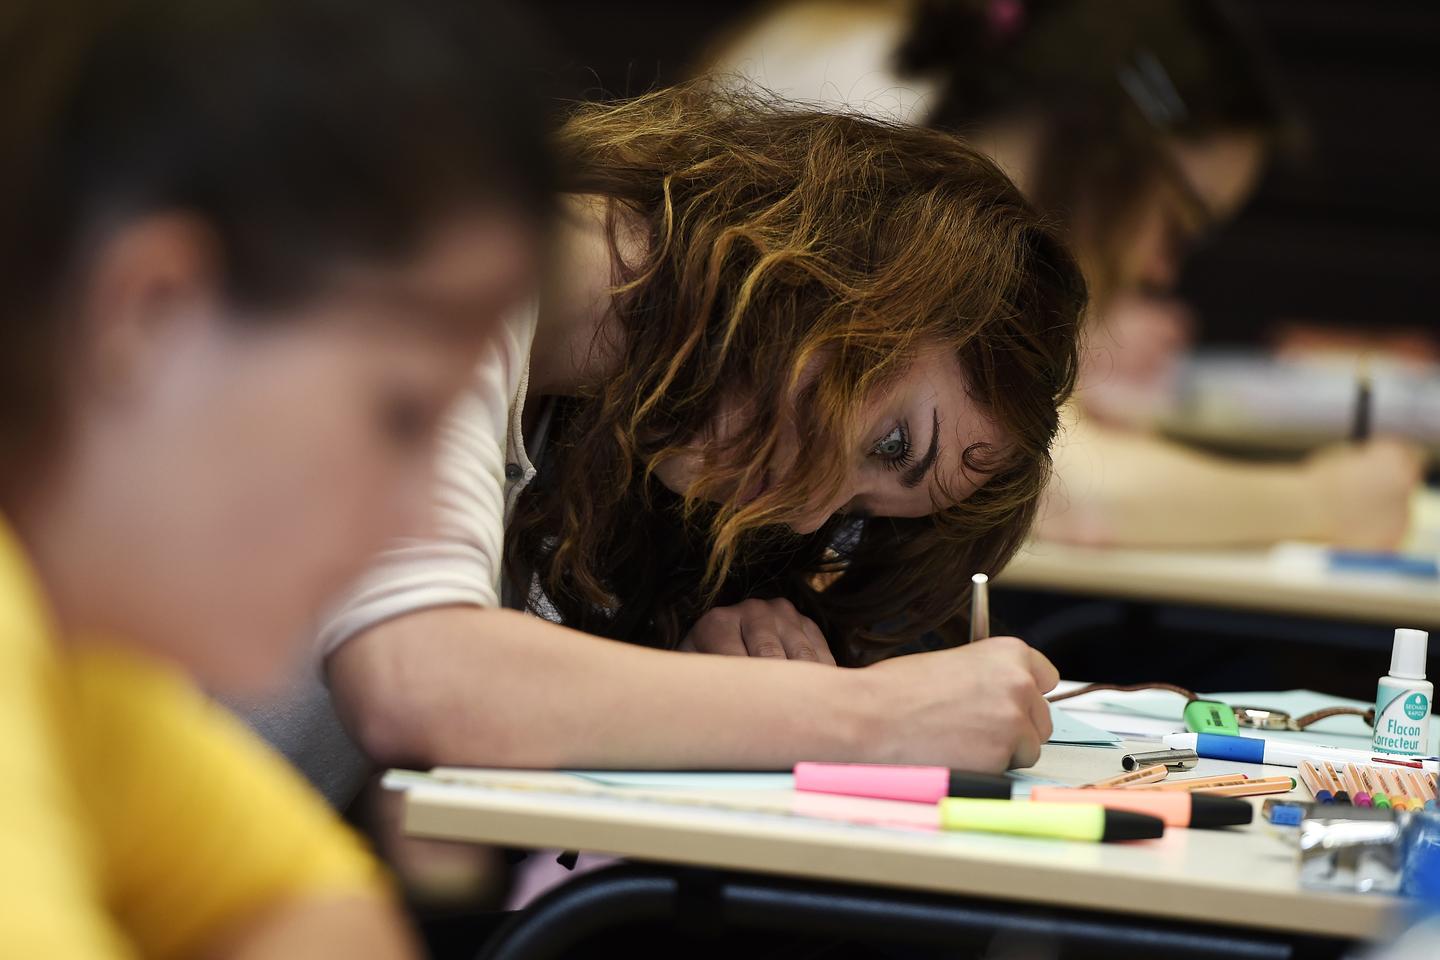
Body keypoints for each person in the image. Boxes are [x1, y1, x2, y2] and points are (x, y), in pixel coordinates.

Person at [245, 80, 1085, 815]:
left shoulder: (573, 407)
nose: (805, 517)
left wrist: (711, 678)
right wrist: (874, 719)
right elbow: (420, 684)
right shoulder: (446, 256)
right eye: (891, 439)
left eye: (858, 507)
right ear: (845, 267)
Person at [0, 0, 548, 955]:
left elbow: (314, 913)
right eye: (400, 415)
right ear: (152, 312)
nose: (413, 517)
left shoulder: (84, 675)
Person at [701, 0, 1424, 550]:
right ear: (1112, 148)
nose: (1159, 270)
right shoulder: (881, 159)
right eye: (1175, 222)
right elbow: (1055, 488)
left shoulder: (917, 120)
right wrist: (1325, 500)